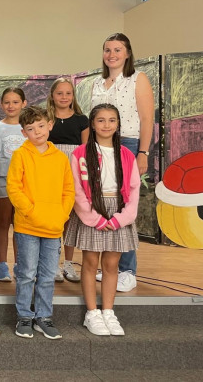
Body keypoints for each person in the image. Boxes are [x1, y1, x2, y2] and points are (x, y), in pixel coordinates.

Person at [65, 104, 140, 336]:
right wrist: (93, 218)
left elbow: (134, 189)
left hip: (118, 211)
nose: (106, 125)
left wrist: (121, 218)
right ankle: (92, 313)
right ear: (92, 124)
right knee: (90, 263)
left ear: (118, 124)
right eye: (101, 120)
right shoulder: (79, 154)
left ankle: (108, 311)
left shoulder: (126, 154)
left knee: (111, 265)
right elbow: (77, 189)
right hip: (93, 210)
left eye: (111, 120)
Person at [90, 33, 153, 292]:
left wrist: (143, 152)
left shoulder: (138, 79)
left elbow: (147, 119)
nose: (112, 54)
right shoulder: (97, 83)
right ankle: (109, 267)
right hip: (98, 145)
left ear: (127, 53)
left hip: (127, 143)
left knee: (124, 204)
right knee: (103, 202)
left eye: (118, 49)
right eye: (108, 50)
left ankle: (127, 270)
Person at [7, 106, 74, 340]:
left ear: (50, 125)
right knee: (26, 273)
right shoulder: (20, 155)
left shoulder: (61, 158)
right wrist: (31, 211)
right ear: (23, 132)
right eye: (31, 128)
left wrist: (62, 215)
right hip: (28, 227)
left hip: (53, 228)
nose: (37, 132)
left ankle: (43, 317)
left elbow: (68, 190)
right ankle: (24, 316)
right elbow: (13, 188)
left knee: (47, 275)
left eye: (41, 126)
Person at [46, 76, 89, 283]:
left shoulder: (82, 120)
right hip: (50, 169)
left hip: (74, 171)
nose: (64, 97)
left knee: (71, 219)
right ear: (52, 96)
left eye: (68, 93)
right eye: (59, 93)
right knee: (55, 218)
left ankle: (68, 263)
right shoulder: (46, 119)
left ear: (73, 96)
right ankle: (52, 263)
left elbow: (86, 150)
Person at [0, 88, 27, 282]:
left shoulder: (29, 126)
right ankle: (2, 265)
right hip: (2, 180)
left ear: (24, 103)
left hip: (24, 183)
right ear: (1, 104)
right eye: (7, 102)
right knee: (3, 222)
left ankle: (19, 264)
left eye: (15, 102)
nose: (11, 106)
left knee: (20, 225)